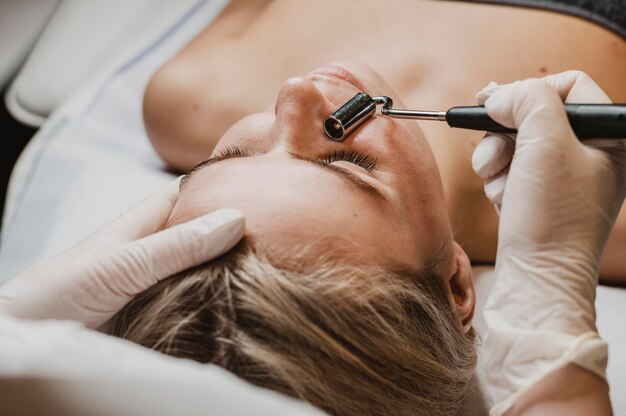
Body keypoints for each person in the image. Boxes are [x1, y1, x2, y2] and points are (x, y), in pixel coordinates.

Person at [143, 0, 626, 282]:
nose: (295, 95)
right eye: (346, 165)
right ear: (455, 284)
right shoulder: (605, 210)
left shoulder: (187, 96)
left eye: (236, 157)